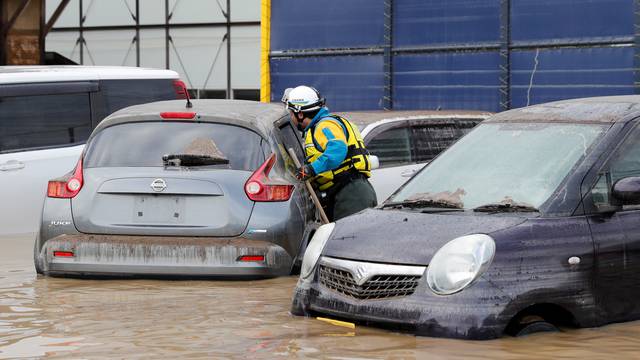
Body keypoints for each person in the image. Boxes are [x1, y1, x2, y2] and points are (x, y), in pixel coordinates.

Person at [283, 85, 377, 221]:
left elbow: (337, 149)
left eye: (291, 113)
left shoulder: (324, 126)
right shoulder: (323, 125)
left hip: (351, 194)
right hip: (349, 191)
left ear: (300, 113)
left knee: (349, 239)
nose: (291, 118)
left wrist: (310, 170)